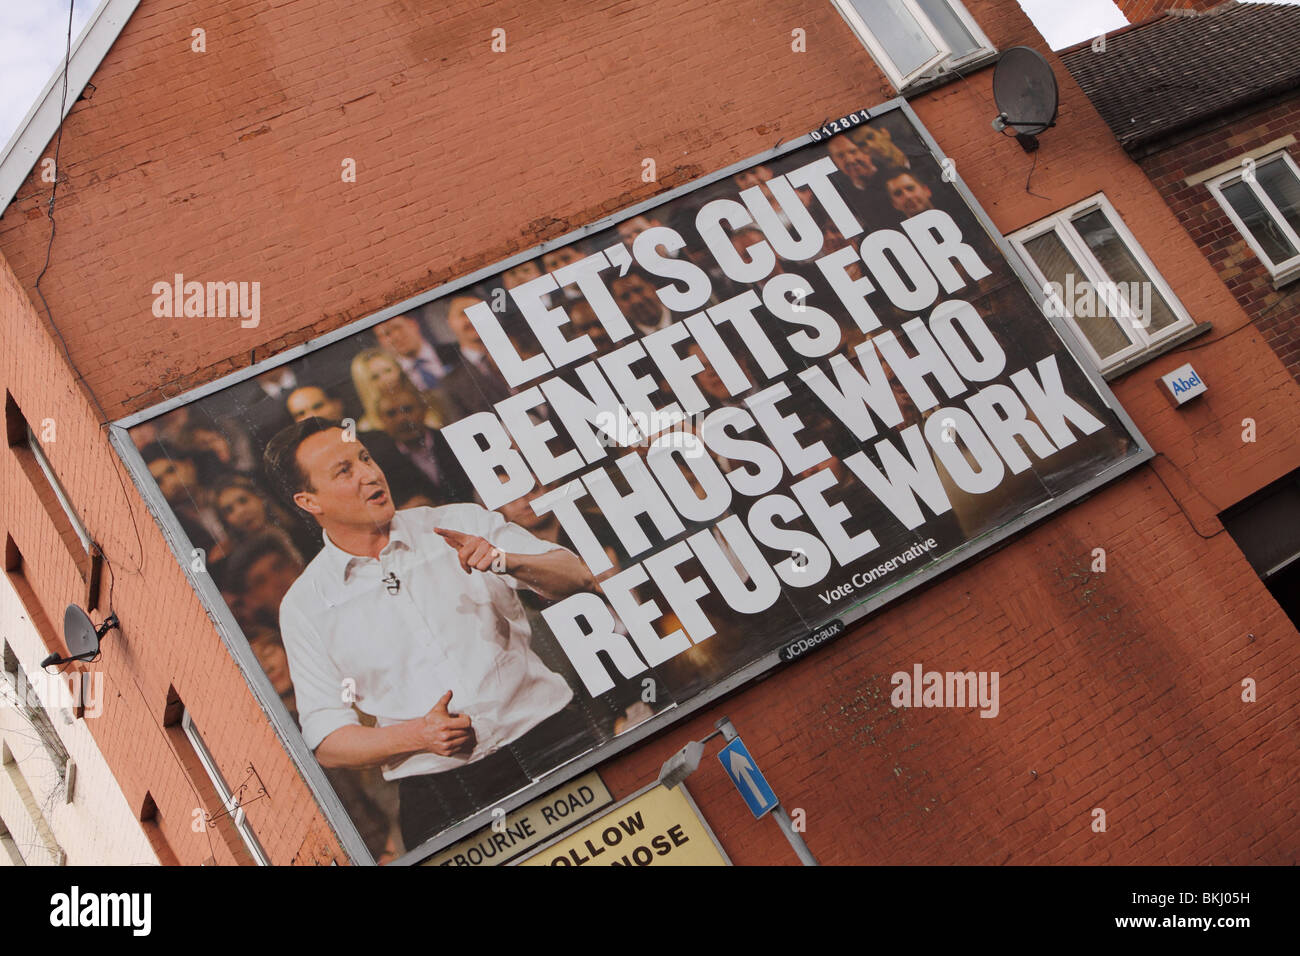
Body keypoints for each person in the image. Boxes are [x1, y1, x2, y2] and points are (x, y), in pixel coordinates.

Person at [263, 418, 596, 850]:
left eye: (365, 458)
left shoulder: (460, 523)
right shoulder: (305, 605)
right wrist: (418, 735)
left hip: (551, 739)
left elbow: (577, 576)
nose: (369, 474)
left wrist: (506, 560)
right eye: (344, 471)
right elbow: (327, 739)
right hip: (444, 795)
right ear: (308, 501)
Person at [373, 381, 476, 505]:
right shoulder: (380, 464)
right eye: (391, 414)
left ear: (424, 409)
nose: (401, 419)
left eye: (407, 409)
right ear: (381, 420)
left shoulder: (455, 442)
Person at [373, 313, 456, 393]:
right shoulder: (394, 379)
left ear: (413, 324)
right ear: (380, 342)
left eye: (397, 327)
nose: (396, 336)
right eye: (387, 334)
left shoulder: (456, 350)